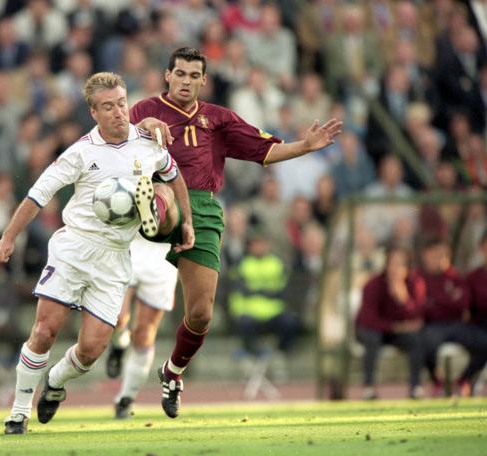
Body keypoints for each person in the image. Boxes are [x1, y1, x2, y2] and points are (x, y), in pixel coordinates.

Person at [132, 46, 342, 418]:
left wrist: (306, 147)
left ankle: (173, 372)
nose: (186, 82)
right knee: (161, 193)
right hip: (155, 193)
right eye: (179, 74)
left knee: (201, 314)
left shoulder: (218, 119)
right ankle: (157, 214)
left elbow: (264, 150)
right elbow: (116, 141)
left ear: (204, 80)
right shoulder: (144, 111)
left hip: (203, 208)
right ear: (167, 75)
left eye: (194, 76)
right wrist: (143, 128)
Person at [0, 72, 194, 435]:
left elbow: (174, 174)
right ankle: (18, 413)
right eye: (108, 107)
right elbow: (39, 195)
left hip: (116, 255)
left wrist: (187, 222)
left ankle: (55, 381)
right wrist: (8, 238)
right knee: (45, 330)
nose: (118, 112)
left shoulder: (148, 144)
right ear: (93, 112)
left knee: (92, 349)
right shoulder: (80, 153)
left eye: (121, 103)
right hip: (75, 247)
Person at [105, 233, 178, 419]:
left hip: (163, 253)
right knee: (117, 317)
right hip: (128, 243)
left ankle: (126, 398)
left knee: (144, 334)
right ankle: (119, 343)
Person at [355, 246, 426, 400]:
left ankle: (416, 387)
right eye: (393, 264)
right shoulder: (373, 285)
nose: (396, 269)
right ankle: (369, 387)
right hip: (373, 330)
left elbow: (418, 317)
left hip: (396, 333)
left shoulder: (415, 284)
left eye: (401, 264)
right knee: (372, 338)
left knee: (415, 340)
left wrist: (404, 300)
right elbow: (368, 320)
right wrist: (396, 327)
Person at [419, 238, 487, 396]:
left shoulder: (455, 278)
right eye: (435, 255)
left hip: (457, 325)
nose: (440, 258)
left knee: (483, 343)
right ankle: (437, 382)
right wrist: (447, 299)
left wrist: (435, 301)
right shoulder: (419, 278)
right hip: (432, 326)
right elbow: (422, 306)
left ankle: (464, 379)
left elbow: (462, 304)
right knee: (425, 341)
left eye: (443, 254)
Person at [227, 227, 302, 359]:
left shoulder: (277, 264)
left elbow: (284, 290)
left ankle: (281, 353)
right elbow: (236, 292)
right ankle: (254, 354)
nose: (259, 247)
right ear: (250, 246)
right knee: (245, 325)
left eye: (262, 243)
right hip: (249, 312)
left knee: (290, 323)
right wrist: (238, 312)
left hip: (274, 312)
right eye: (255, 244)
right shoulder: (241, 264)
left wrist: (260, 293)